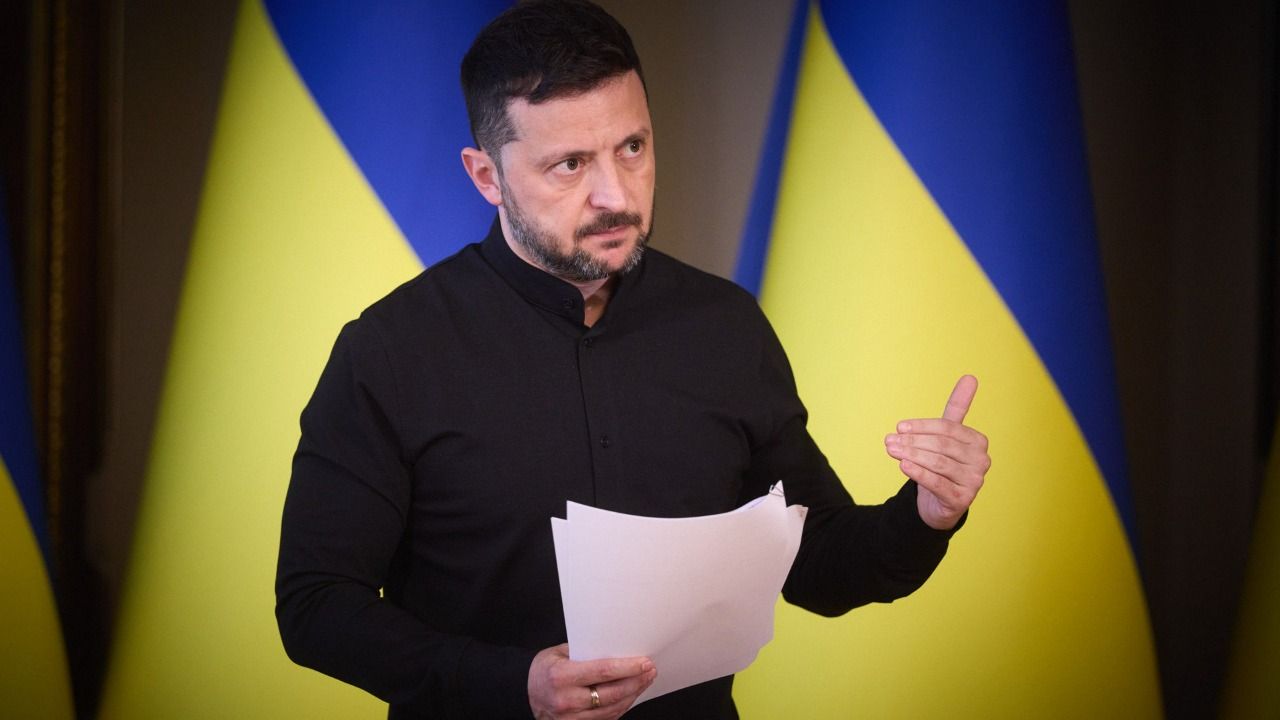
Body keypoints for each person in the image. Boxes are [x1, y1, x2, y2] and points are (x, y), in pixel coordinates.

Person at [275, 2, 991, 718]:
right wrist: (512, 685)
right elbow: (316, 604)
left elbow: (819, 566)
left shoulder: (726, 327)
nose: (616, 195)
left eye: (633, 148)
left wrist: (926, 514)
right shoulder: (389, 351)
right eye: (570, 165)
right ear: (487, 177)